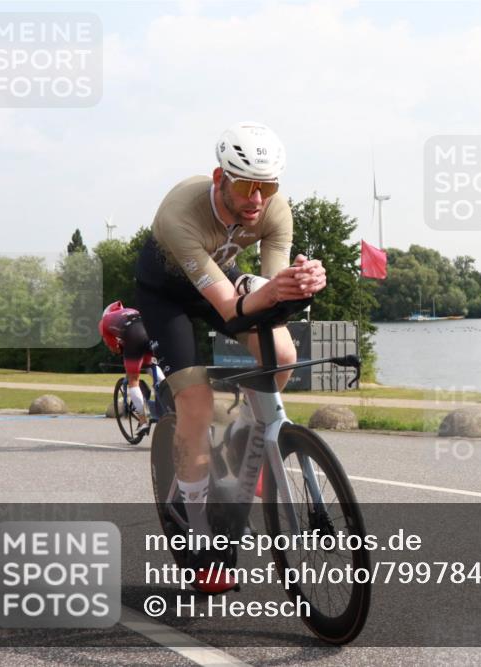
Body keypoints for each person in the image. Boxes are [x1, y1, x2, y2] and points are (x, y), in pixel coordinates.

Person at [134, 122, 326, 583]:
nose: (257, 200)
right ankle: (199, 532)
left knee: (281, 353)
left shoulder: (276, 211)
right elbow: (229, 305)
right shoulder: (182, 212)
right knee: (196, 401)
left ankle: (243, 434)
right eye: (245, 186)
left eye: (268, 187)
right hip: (168, 295)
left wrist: (301, 287)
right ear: (220, 178)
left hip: (221, 281)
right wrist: (274, 293)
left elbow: (268, 295)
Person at [99, 301, 154, 434]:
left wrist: (121, 349)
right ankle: (167, 396)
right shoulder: (132, 310)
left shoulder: (104, 321)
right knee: (153, 366)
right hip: (151, 332)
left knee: (133, 380)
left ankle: (143, 420)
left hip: (133, 337)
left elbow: (114, 347)